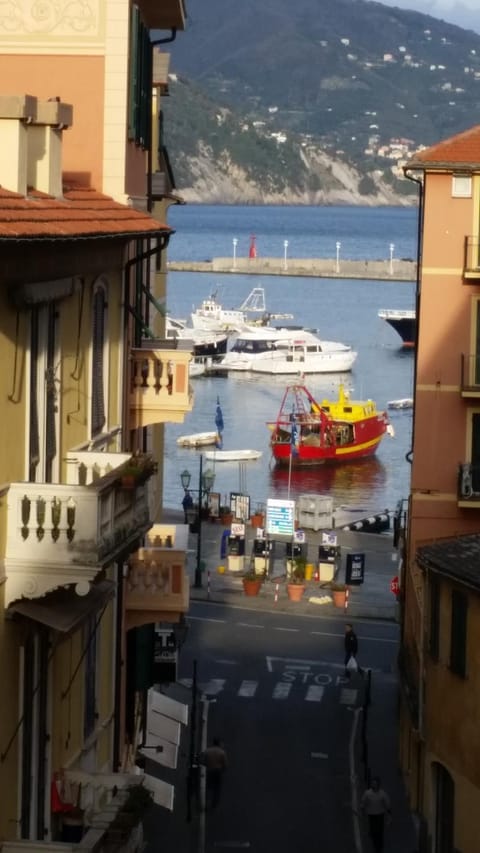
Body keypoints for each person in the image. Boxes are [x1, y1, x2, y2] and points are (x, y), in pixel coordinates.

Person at [360, 776, 391, 853]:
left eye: (375, 784)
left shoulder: (382, 794)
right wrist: (362, 810)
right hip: (371, 815)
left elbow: (387, 804)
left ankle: (379, 848)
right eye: (372, 783)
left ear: (378, 785)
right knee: (373, 832)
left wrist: (389, 815)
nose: (373, 785)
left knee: (380, 832)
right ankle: (375, 844)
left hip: (380, 815)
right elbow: (363, 803)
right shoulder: (367, 793)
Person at [200, 737, 228, 809]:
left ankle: (206, 802)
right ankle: (214, 804)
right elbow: (225, 764)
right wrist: (223, 770)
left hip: (210, 771)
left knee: (208, 788)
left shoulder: (208, 751)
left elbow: (202, 760)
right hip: (217, 772)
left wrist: (206, 765)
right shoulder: (222, 752)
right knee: (217, 789)